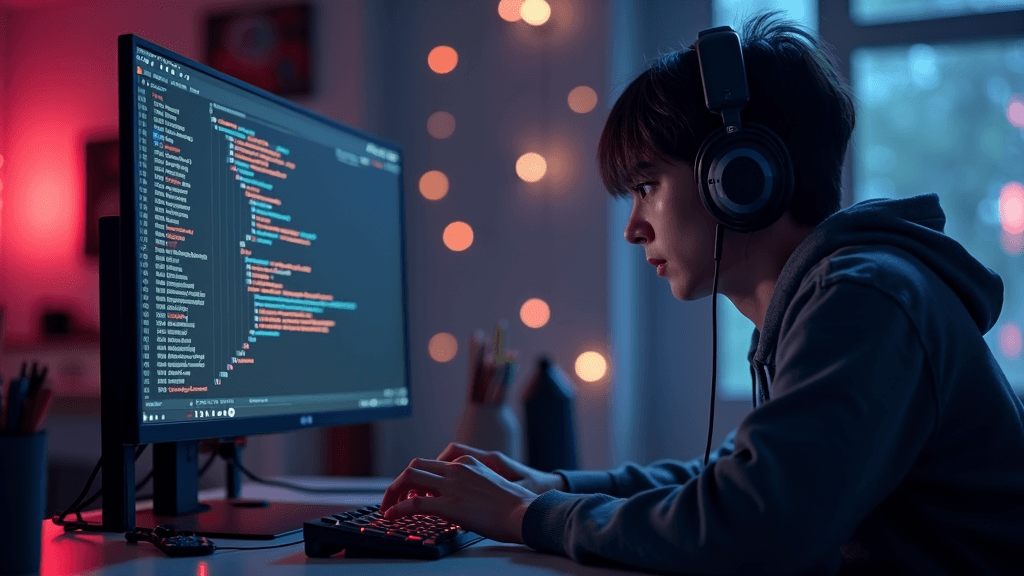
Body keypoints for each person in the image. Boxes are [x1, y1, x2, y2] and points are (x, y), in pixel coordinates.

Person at [380, 9, 1024, 575]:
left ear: (739, 175)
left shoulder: (866, 300)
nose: (635, 229)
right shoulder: (835, 297)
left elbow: (753, 525)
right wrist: (550, 485)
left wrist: (528, 514)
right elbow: (729, 480)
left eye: (645, 186)